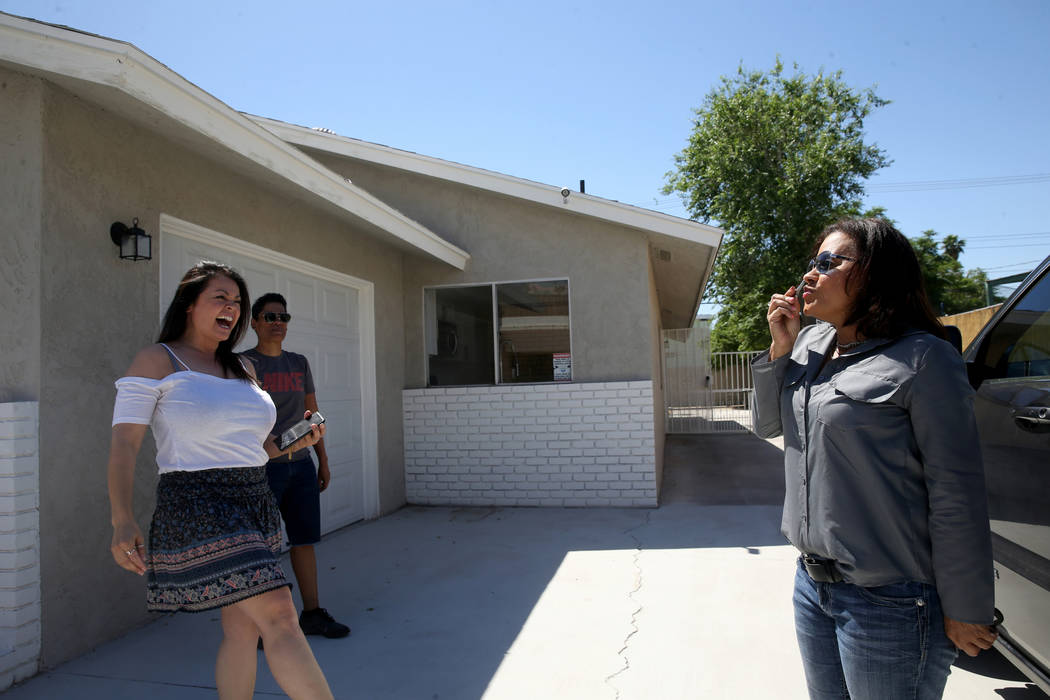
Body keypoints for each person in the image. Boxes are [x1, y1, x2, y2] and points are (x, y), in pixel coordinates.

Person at [751, 218, 998, 700]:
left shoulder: (924, 359)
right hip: (812, 586)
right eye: (811, 263)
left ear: (875, 275)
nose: (809, 276)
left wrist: (968, 606)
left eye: (828, 263)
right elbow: (770, 427)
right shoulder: (810, 346)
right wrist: (781, 348)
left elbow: (956, 492)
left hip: (892, 602)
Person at [107, 261, 334, 700]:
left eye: (237, 302)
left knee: (243, 630)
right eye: (220, 298)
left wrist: (299, 440)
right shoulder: (158, 360)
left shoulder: (243, 369)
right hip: (197, 503)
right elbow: (124, 445)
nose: (231, 308)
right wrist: (121, 518)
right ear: (190, 305)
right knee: (281, 614)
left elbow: (261, 447)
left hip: (255, 499)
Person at [242, 293, 350, 639]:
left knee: (303, 541)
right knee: (262, 547)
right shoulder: (243, 364)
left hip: (301, 466)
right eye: (270, 317)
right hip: (263, 469)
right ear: (255, 322)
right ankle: (263, 625)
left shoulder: (299, 363)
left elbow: (312, 415)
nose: (278, 323)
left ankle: (313, 614)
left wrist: (324, 461)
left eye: (283, 317)